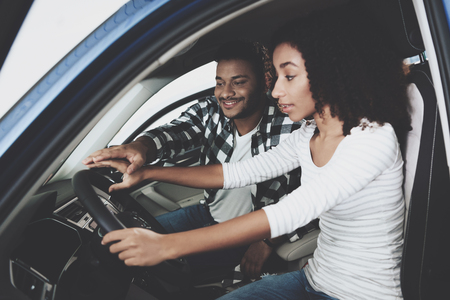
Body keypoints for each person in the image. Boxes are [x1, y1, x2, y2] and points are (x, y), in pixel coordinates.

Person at [95, 5, 411, 299]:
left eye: (289, 76)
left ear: (329, 72)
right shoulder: (309, 133)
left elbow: (291, 211)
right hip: (314, 279)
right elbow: (239, 172)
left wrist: (167, 246)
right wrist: (148, 171)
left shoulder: (372, 139)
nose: (276, 91)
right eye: (277, 77)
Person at [83, 40, 303, 277]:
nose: (226, 92)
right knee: (117, 244)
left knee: (158, 271)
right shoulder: (211, 111)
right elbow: (174, 133)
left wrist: (266, 241)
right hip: (207, 213)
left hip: (251, 234)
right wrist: (140, 148)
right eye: (220, 83)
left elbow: (304, 198)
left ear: (264, 83)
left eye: (238, 83)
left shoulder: (290, 126)